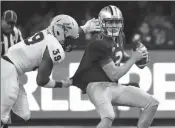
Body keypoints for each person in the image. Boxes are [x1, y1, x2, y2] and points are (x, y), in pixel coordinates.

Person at [1, 14, 100, 128]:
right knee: (5, 109)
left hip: (12, 70)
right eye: (69, 38)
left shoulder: (50, 33)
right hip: (7, 67)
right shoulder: (54, 47)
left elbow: (68, 31)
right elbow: (41, 80)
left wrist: (85, 28)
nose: (72, 42)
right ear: (59, 33)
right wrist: (62, 84)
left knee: (23, 115)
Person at [71, 5, 159, 128]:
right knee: (108, 116)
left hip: (113, 87)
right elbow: (114, 75)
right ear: (102, 23)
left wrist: (137, 58)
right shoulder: (98, 42)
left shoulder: (119, 36)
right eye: (110, 22)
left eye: (117, 22)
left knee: (152, 103)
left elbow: (119, 55)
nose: (114, 26)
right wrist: (134, 58)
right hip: (96, 86)